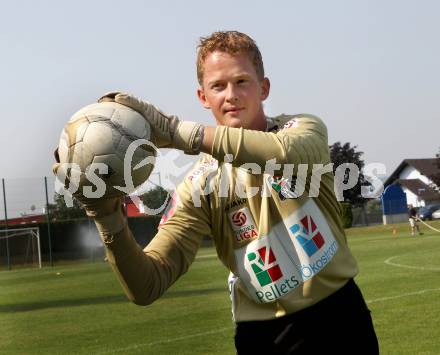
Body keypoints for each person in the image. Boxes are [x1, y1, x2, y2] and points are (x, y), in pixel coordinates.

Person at [54, 31, 379, 353]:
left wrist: (177, 132)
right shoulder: (199, 184)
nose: (231, 95)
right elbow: (147, 285)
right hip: (265, 336)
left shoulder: (302, 129)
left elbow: (284, 154)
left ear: (263, 88)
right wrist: (106, 217)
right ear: (203, 97)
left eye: (242, 82)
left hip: (340, 319)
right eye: (218, 86)